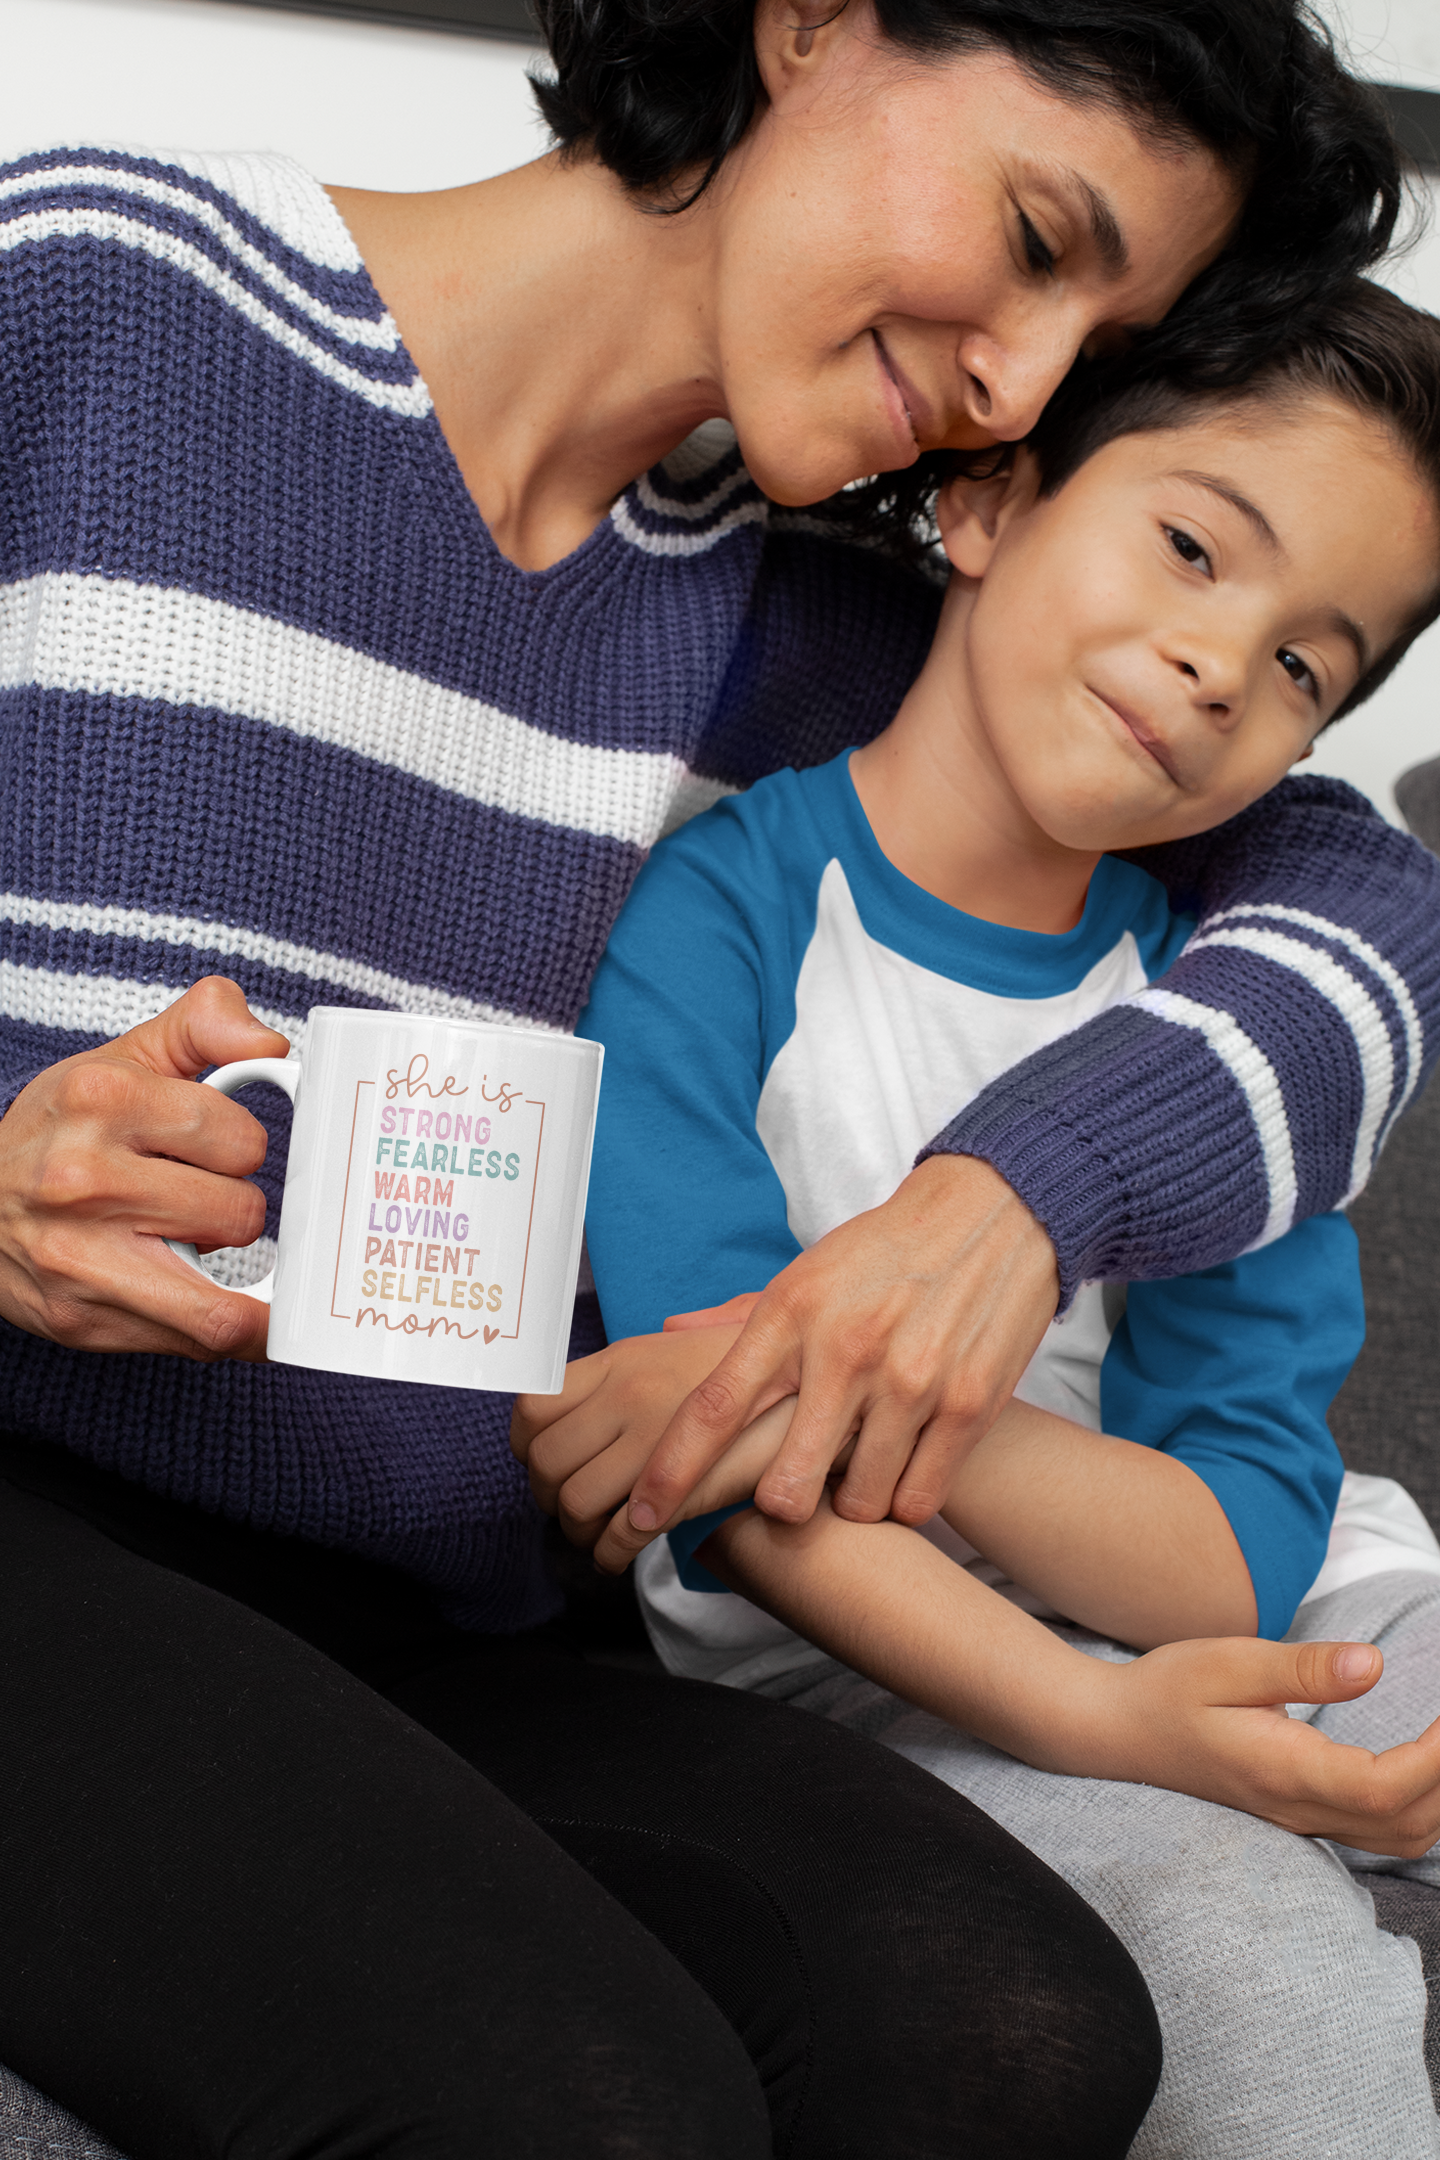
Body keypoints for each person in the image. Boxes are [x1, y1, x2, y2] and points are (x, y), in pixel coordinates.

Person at [0, 1, 1431, 2152]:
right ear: (813, 24)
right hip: (37, 1517)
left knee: (1016, 2031)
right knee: (567, 2099)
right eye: (1037, 235)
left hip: (457, 1602)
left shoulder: (797, 592)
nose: (1020, 385)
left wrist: (1016, 1193)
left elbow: (1356, 890)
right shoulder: (100, 297)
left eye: (1096, 331)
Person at [553, 279, 1440, 2157]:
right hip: (862, 1672)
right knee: (1263, 1979)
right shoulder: (715, 919)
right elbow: (730, 1494)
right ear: (989, 504)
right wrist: (1096, 1706)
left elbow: (1239, 1562)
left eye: (1307, 666)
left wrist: (820, 1371)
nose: (1223, 663)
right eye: (1195, 547)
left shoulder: (1221, 1033)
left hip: (1303, 1603)